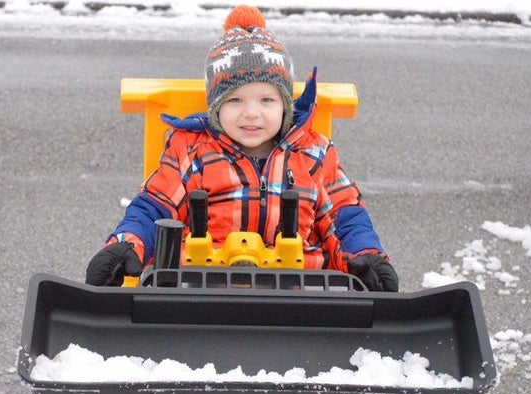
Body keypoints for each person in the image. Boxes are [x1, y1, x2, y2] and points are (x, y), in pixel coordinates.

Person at [86, 5, 398, 292]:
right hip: (199, 293)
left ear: (285, 106)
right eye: (235, 100)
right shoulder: (191, 150)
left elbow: (344, 218)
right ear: (215, 107)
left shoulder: (314, 153)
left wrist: (365, 256)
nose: (251, 113)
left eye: (266, 100)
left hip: (300, 296)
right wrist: (127, 245)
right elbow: (155, 207)